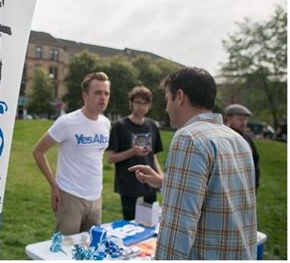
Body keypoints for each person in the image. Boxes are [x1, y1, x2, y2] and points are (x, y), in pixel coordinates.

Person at [129, 67, 257, 260]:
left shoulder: (189, 138)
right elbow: (219, 195)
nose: (166, 108)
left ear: (179, 96)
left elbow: (178, 225)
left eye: (166, 99)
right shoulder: (237, 140)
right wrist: (164, 182)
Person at [32, 72, 111, 235]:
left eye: (106, 93)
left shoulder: (106, 123)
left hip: (96, 197)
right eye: (98, 93)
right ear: (85, 95)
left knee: (91, 249)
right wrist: (54, 185)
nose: (103, 97)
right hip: (70, 197)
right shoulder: (67, 122)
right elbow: (38, 151)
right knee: (65, 250)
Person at [106, 86, 163, 221]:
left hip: (149, 184)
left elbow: (153, 155)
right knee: (130, 224)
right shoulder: (119, 126)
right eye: (137, 102)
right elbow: (110, 158)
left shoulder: (152, 125)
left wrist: (160, 176)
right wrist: (132, 152)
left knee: (150, 223)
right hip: (128, 184)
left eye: (145, 103)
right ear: (131, 103)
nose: (141, 107)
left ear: (149, 105)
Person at [224, 103, 260, 191]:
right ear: (229, 118)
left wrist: (255, 185)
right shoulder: (222, 139)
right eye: (240, 119)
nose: (244, 123)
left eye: (245, 120)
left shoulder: (247, 139)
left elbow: (255, 163)